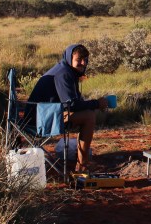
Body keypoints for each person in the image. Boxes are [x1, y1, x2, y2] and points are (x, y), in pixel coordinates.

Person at [27, 43, 108, 172]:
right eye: (79, 60)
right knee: (89, 117)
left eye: (85, 60)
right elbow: (72, 105)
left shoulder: (66, 69)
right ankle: (83, 165)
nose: (83, 63)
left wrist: (92, 104)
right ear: (70, 58)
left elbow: (73, 101)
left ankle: (82, 160)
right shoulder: (64, 74)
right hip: (40, 120)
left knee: (88, 112)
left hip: (44, 113)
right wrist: (97, 104)